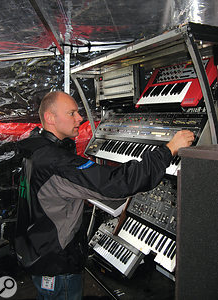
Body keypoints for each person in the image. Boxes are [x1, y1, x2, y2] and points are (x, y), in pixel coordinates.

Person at [15, 91, 194, 300]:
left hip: (37, 250)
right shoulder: (56, 161)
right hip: (57, 262)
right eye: (72, 113)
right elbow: (117, 183)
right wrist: (169, 149)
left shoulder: (35, 150)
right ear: (50, 118)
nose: (80, 118)